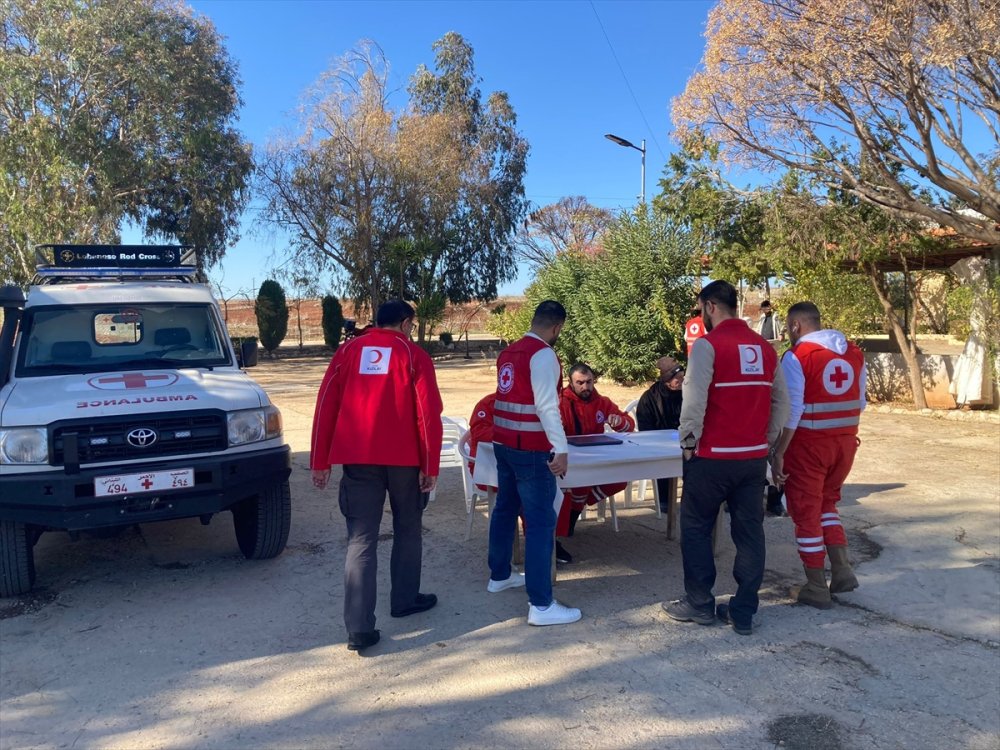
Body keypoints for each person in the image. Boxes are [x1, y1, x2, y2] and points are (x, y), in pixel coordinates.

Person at [311, 300, 444, 653]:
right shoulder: (413, 355)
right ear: (404, 323)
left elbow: (327, 404)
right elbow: (428, 413)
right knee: (408, 527)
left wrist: (319, 460)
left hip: (358, 460)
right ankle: (404, 599)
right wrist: (430, 466)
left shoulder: (348, 352)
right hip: (404, 461)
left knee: (361, 539)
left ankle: (359, 629)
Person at [663, 280, 790, 636]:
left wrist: (688, 440)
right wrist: (766, 441)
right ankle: (744, 611)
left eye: (700, 308)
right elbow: (783, 402)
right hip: (752, 460)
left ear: (710, 306)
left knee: (697, 529)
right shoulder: (765, 350)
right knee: (750, 533)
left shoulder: (707, 346)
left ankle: (700, 603)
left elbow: (694, 398)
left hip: (711, 457)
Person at [487, 300, 581, 626]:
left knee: (504, 510)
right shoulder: (543, 355)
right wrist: (561, 448)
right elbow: (546, 406)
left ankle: (499, 575)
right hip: (531, 450)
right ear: (557, 327)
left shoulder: (509, 352)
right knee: (540, 523)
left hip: (504, 445)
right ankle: (541, 605)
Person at [770, 301, 867, 609]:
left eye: (788, 327)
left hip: (809, 447)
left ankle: (815, 586)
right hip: (845, 443)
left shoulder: (798, 357)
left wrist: (779, 452)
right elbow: (861, 403)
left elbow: (793, 409)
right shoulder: (854, 354)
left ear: (796, 325)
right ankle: (842, 572)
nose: (787, 332)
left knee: (806, 512)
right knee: (827, 504)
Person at [555, 363, 635, 562]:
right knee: (567, 490)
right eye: (580, 383)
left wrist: (618, 421)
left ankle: (578, 507)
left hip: (596, 459)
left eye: (589, 382)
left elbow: (629, 425)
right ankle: (557, 536)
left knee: (621, 476)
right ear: (570, 383)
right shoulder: (560, 403)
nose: (585, 387)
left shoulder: (602, 402)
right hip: (569, 460)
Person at [635, 356, 685, 512]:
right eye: (677, 378)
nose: (681, 381)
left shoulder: (688, 395)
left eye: (683, 377)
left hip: (684, 440)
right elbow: (646, 429)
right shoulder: (649, 398)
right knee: (663, 458)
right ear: (666, 380)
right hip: (659, 443)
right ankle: (664, 499)